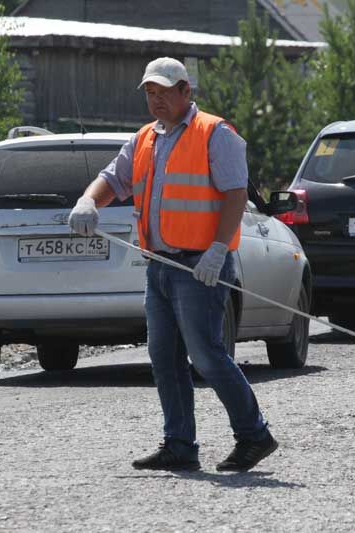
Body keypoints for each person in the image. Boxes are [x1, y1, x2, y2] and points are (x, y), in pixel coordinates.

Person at [68, 57, 278, 472]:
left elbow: (236, 195)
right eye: (150, 92)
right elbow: (113, 179)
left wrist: (218, 251)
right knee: (164, 358)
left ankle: (254, 435)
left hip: (201, 268)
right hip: (160, 267)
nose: (156, 100)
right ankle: (179, 444)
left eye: (164, 92)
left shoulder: (215, 134)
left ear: (186, 91)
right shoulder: (146, 138)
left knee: (206, 356)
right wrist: (88, 199)